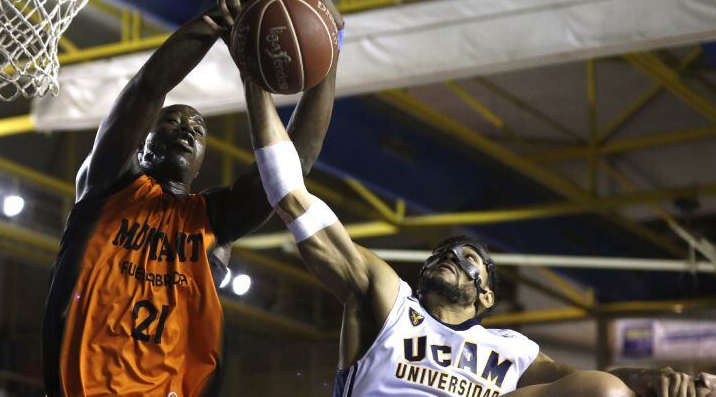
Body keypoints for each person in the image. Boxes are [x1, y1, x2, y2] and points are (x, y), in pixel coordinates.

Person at [236, 65, 716, 397]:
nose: (450, 255)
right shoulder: (388, 300)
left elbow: (595, 381)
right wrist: (255, 83)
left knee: (609, 390)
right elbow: (291, 195)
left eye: (469, 259)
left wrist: (651, 377)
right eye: (442, 252)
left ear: (486, 297)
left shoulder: (512, 350)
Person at [40, 0, 347, 396]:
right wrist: (223, 17)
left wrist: (331, 48)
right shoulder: (107, 186)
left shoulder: (215, 222)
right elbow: (149, 86)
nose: (186, 128)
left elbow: (295, 160)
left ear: (204, 158)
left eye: (197, 128)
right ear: (144, 140)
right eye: (173, 120)